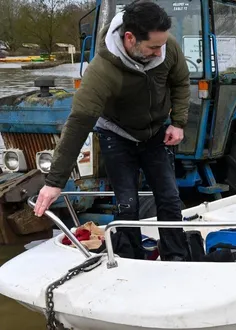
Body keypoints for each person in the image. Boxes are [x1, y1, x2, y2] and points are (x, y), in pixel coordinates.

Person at [33, 1, 191, 261]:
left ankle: (177, 258)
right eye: (153, 47)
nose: (159, 52)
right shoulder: (102, 70)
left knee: (170, 198)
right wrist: (54, 183)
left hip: (155, 133)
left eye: (162, 45)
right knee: (127, 204)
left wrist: (179, 122)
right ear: (130, 39)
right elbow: (78, 123)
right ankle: (131, 260)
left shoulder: (167, 47)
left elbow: (181, 82)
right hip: (117, 135)